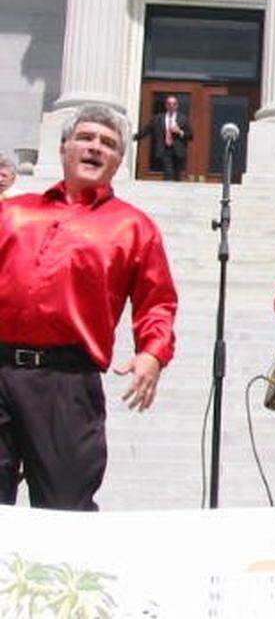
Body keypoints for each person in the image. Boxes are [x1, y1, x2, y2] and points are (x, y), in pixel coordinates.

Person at [0, 104, 177, 510]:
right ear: (64, 149)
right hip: (0, 366)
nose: (96, 147)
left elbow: (158, 301)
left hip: (67, 382)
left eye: (108, 143)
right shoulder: (13, 212)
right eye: (86, 138)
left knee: (66, 507)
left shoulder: (134, 226)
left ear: (119, 161)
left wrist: (152, 352)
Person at [134, 94, 193, 181]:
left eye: (174, 104)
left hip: (178, 150)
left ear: (177, 106)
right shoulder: (158, 118)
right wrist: (134, 137)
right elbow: (147, 129)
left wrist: (180, 132)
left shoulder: (183, 119)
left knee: (177, 175)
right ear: (166, 105)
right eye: (169, 104)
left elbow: (191, 136)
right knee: (168, 173)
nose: (171, 106)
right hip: (165, 149)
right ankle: (168, 190)